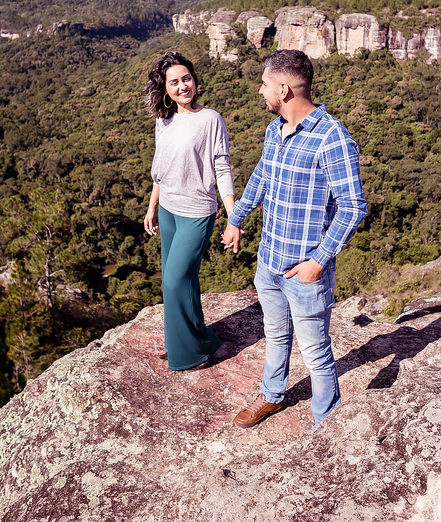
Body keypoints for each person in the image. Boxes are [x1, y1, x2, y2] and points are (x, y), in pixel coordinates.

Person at [222, 49, 366, 430]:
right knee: (275, 334)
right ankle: (273, 395)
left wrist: (317, 262)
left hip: (304, 270)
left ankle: (326, 423)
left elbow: (353, 207)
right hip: (269, 260)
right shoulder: (276, 129)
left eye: (265, 84)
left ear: (283, 89)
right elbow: (262, 178)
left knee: (316, 352)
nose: (260, 91)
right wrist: (236, 218)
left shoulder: (332, 138)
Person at [144, 51, 233, 371]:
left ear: (195, 80)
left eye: (187, 78)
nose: (183, 86)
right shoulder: (163, 120)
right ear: (164, 88)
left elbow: (221, 167)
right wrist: (152, 207)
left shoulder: (210, 119)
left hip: (197, 211)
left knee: (173, 280)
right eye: (174, 82)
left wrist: (232, 216)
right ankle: (194, 340)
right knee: (186, 281)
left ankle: (191, 355)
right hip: (168, 208)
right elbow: (161, 168)